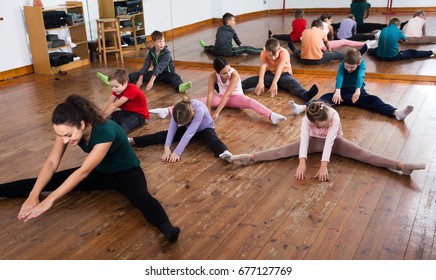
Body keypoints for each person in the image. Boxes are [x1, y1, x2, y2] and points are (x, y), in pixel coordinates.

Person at [0, 95, 180, 242]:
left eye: (68, 135)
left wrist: (50, 200)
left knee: (141, 197)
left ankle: (167, 228)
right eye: (60, 135)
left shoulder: (106, 130)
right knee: (44, 183)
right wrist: (34, 196)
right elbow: (51, 163)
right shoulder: (65, 130)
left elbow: (83, 171)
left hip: (126, 172)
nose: (64, 140)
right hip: (100, 172)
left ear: (82, 124)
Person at [221, 101, 426, 181]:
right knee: (283, 150)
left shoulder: (334, 117)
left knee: (364, 154)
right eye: (321, 125)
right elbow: (303, 142)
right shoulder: (306, 123)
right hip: (311, 142)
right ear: (313, 123)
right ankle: (251, 157)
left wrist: (323, 165)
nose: (325, 125)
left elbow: (328, 143)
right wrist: (302, 161)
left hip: (335, 142)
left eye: (326, 122)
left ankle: (400, 166)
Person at [150, 57, 287, 125]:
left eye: (228, 70)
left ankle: (271, 116)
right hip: (220, 97)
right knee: (198, 101)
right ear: (217, 72)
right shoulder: (212, 76)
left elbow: (228, 95)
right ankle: (166, 111)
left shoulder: (234, 74)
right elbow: (210, 94)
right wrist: (208, 111)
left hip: (236, 97)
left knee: (251, 101)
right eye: (224, 73)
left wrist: (216, 113)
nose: (227, 74)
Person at [288, 48, 415, 121]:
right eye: (347, 66)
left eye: (352, 68)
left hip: (357, 94)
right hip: (341, 94)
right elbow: (340, 76)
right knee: (324, 98)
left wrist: (358, 91)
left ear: (358, 64)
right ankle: (302, 108)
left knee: (374, 100)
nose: (349, 69)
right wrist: (337, 91)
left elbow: (360, 76)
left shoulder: (362, 65)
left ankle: (397, 113)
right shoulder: (342, 65)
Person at [130, 97, 233, 162]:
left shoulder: (199, 111)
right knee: (164, 135)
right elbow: (172, 129)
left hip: (205, 129)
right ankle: (133, 140)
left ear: (192, 114)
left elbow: (189, 133)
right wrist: (167, 147)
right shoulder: (178, 109)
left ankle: (226, 153)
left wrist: (177, 152)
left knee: (212, 140)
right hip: (189, 127)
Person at [99, 30, 192, 93]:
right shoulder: (151, 52)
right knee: (135, 74)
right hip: (157, 75)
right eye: (159, 42)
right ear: (153, 42)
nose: (162, 44)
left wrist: (151, 81)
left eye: (163, 41)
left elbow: (160, 67)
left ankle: (180, 87)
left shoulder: (166, 54)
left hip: (167, 73)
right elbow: (146, 64)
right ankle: (112, 80)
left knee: (176, 77)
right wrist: (140, 78)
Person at [241, 38, 318, 100]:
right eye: (270, 56)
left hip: (284, 74)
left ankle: (305, 94)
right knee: (254, 79)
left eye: (275, 55)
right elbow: (262, 67)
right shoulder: (263, 52)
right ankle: (237, 87)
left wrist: (274, 83)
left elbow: (280, 69)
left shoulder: (284, 52)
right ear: (266, 51)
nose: (273, 58)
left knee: (293, 83)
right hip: (271, 74)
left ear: (279, 50)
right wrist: (260, 82)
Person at [101, 69, 149, 134]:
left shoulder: (132, 89)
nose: (113, 89)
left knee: (125, 124)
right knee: (110, 117)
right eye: (111, 87)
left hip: (138, 116)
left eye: (116, 86)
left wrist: (102, 118)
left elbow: (114, 105)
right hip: (126, 112)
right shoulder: (117, 90)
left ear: (125, 83)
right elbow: (109, 102)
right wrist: (100, 115)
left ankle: (121, 138)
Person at [368, 18, 435, 61]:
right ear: (398, 25)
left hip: (379, 56)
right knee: (412, 52)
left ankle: (367, 47)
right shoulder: (398, 31)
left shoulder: (383, 29)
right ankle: (431, 52)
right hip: (393, 56)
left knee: (373, 50)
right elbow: (406, 41)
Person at [199, 12, 263, 56]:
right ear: (228, 22)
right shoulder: (232, 31)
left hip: (217, 51)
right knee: (245, 49)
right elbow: (238, 42)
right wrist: (239, 46)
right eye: (233, 20)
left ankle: (205, 46)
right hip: (228, 52)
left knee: (211, 48)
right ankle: (262, 50)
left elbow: (221, 39)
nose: (235, 22)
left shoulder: (219, 29)